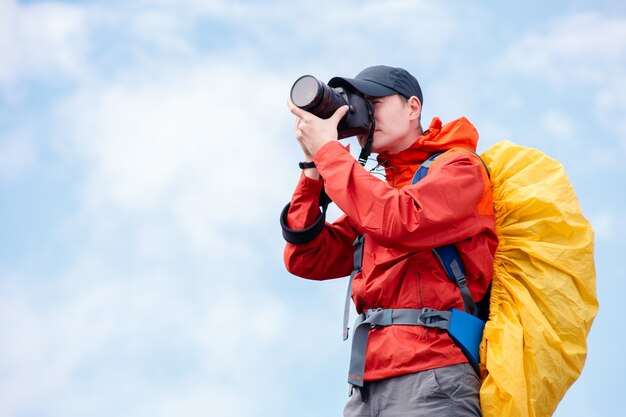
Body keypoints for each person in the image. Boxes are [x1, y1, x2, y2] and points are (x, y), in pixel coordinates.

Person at [281, 65, 497, 416]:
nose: (365, 116)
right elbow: (306, 258)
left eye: (374, 103)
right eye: (358, 107)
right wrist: (312, 171)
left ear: (413, 108)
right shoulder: (376, 197)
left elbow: (400, 221)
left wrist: (330, 154)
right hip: (366, 387)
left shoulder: (460, 168)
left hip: (434, 377)